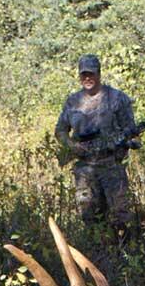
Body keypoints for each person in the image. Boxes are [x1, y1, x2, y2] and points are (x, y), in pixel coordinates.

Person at [55, 54, 138, 242]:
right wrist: (72, 145)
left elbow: (130, 128)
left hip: (111, 166)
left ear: (99, 73)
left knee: (120, 214)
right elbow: (60, 130)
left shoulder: (116, 98)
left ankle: (125, 254)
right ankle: (97, 254)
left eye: (91, 74)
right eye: (84, 74)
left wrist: (121, 141)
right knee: (89, 215)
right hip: (85, 169)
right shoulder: (73, 101)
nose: (87, 78)